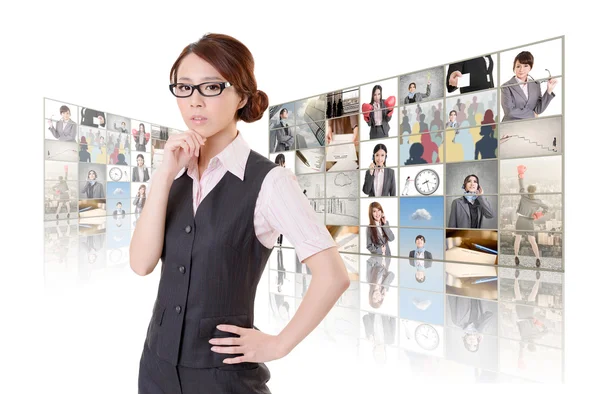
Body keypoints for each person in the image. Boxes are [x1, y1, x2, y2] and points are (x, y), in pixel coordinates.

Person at [130, 33, 350, 393]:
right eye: (184, 88)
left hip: (224, 378)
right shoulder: (173, 172)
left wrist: (279, 344)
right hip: (155, 368)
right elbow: (141, 264)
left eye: (212, 87)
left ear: (242, 96)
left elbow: (333, 276)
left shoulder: (269, 182)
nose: (195, 101)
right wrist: (164, 174)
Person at [501, 51, 557, 121]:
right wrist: (532, 115)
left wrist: (549, 90)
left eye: (525, 66)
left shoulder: (535, 84)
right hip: (510, 126)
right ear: (514, 67)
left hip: (529, 126)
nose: (521, 70)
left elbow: (538, 110)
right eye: (518, 66)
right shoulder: (506, 87)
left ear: (531, 67)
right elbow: (509, 112)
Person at [514, 165, 549, 267]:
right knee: (532, 241)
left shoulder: (524, 196)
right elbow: (547, 208)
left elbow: (521, 184)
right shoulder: (538, 201)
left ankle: (516, 256)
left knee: (518, 239)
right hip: (529, 221)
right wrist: (540, 214)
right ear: (535, 191)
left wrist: (521, 174)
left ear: (528, 190)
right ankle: (538, 258)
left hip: (520, 220)